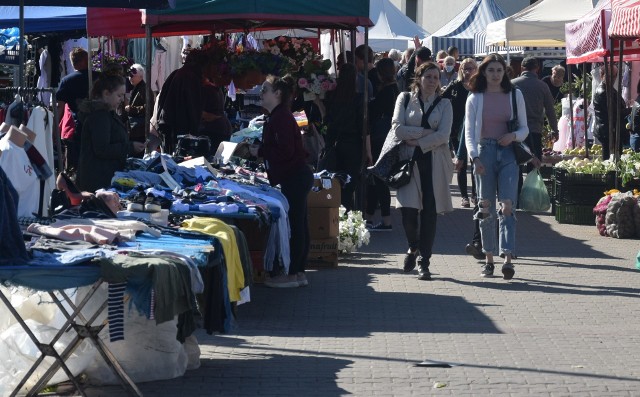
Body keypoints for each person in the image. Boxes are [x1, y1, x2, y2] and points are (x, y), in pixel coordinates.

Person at [465, 53, 529, 280]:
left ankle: (508, 257)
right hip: (484, 152)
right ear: (483, 72)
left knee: (508, 205)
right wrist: (474, 157)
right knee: (485, 206)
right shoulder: (475, 97)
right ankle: (489, 258)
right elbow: (469, 132)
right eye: (490, 70)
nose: (495, 74)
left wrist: (512, 136)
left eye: (499, 70)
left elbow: (524, 129)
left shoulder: (515, 94)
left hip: (508, 152)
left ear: (505, 72)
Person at [392, 62, 453, 280]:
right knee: (407, 211)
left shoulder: (445, 104)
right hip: (409, 163)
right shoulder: (405, 98)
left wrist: (417, 140)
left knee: (429, 212)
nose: (432, 81)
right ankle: (413, 246)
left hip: (435, 163)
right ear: (419, 78)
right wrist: (425, 131)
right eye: (428, 76)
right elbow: (397, 128)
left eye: (436, 77)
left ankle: (424, 261)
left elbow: (443, 135)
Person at [251, 75, 313, 288]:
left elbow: (285, 151)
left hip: (295, 175)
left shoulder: (281, 117)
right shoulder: (279, 116)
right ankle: (298, 272)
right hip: (296, 175)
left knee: (296, 225)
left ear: (278, 93)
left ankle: (293, 273)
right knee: (299, 224)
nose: (261, 93)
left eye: (265, 89)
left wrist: (258, 151)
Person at [76, 65, 145, 192]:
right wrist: (130, 147)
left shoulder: (106, 113)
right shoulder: (99, 116)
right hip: (98, 182)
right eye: (119, 96)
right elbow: (102, 149)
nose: (121, 100)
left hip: (102, 178)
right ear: (106, 94)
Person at [511, 56, 559, 197]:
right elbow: (550, 110)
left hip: (516, 132)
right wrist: (555, 130)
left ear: (521, 68)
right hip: (535, 131)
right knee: (534, 166)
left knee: (516, 165)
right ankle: (530, 197)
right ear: (537, 69)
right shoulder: (542, 86)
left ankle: (516, 196)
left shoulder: (512, 84)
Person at [324, 63, 366, 212]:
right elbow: (363, 126)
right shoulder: (359, 98)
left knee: (333, 181)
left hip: (334, 142)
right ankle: (347, 214)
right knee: (349, 184)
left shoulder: (331, 96)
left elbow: (327, 119)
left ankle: (335, 214)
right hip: (353, 144)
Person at [156, 49, 212, 154]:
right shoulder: (191, 77)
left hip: (168, 124)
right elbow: (193, 107)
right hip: (179, 128)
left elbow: (162, 100)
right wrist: (195, 131)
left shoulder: (177, 73)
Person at [365, 58, 399, 231]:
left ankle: (386, 221)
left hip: (380, 138)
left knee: (379, 180)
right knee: (376, 179)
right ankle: (369, 218)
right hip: (389, 137)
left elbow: (373, 112)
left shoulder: (386, 91)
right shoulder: (395, 89)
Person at [443, 58, 478, 208]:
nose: (468, 71)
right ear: (461, 70)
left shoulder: (478, 87)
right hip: (457, 130)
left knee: (476, 162)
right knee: (461, 163)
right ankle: (464, 196)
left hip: (476, 130)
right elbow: (441, 100)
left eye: (471, 68)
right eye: (465, 68)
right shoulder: (455, 86)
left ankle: (475, 195)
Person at [56, 47, 90, 174]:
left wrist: (54, 127)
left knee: (72, 168)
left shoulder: (67, 81)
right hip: (96, 126)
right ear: (85, 60)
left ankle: (71, 189)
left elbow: (59, 106)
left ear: (73, 62)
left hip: (76, 127)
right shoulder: (98, 77)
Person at [593, 65, 629, 160]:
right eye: (610, 76)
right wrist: (631, 110)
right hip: (608, 132)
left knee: (616, 159)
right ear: (602, 75)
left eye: (614, 76)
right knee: (609, 160)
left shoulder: (610, 89)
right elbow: (614, 113)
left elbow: (618, 107)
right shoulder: (603, 92)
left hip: (613, 131)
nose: (613, 78)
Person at [124, 64, 147, 151]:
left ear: (140, 77)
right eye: (129, 75)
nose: (130, 78)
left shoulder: (143, 89)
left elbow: (148, 108)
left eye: (132, 76)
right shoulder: (137, 87)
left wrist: (132, 109)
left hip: (140, 128)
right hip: (135, 128)